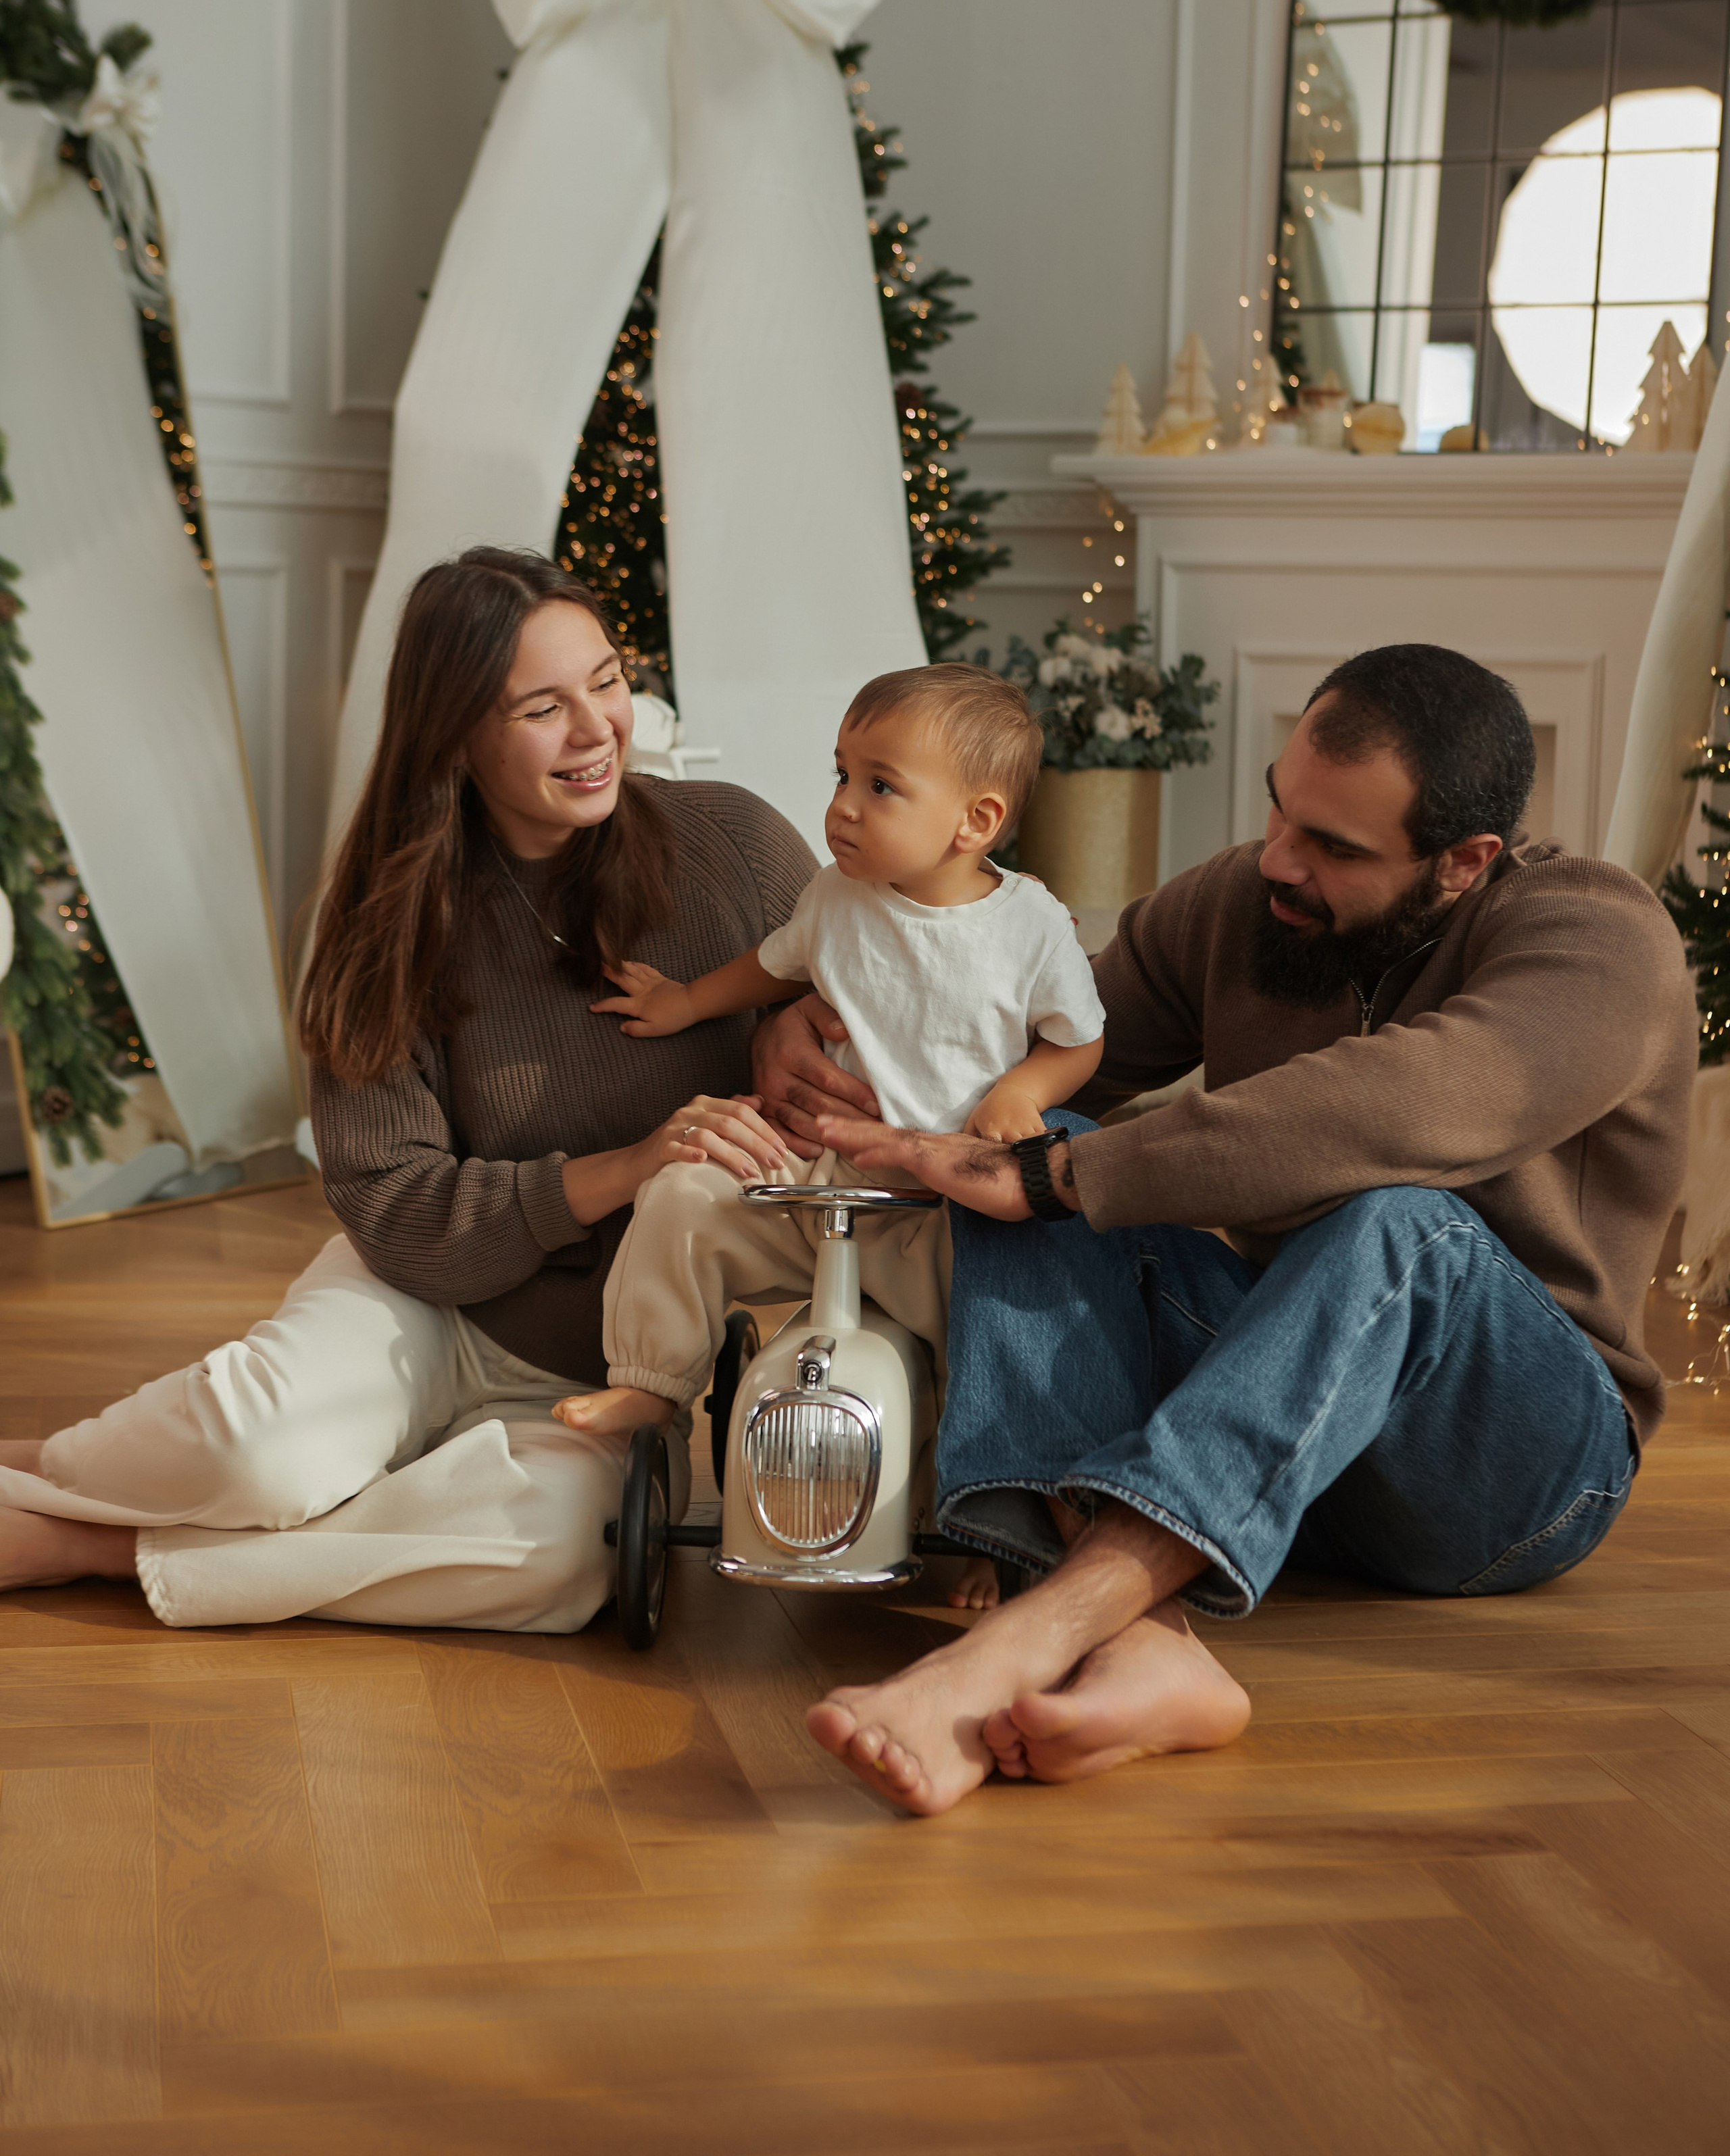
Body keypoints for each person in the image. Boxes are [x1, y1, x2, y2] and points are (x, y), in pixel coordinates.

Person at [745, 644, 1698, 1815]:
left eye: (1336, 848)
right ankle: (1140, 1639)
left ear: (1464, 864)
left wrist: (1057, 1173)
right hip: (1283, 1429)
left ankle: (1026, 1644)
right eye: (1278, 811)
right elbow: (1013, 1048)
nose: (1279, 863)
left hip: (1511, 1468)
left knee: (1393, 1221)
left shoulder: (1597, 938)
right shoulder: (1247, 903)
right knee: (1037, 1138)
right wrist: (809, 1028)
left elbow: (1403, 1106)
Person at [0, 549, 809, 1630]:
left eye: (607, 682)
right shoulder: (384, 915)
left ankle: (92, 1539)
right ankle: (64, 1468)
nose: (596, 729)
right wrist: (623, 1168)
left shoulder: (738, 848)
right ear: (458, 731)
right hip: (418, 1301)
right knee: (260, 1448)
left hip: (601, 1367)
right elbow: (395, 1212)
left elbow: (871, 1024)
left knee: (568, 1559)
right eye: (541, 707)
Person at [555, 662, 1103, 1453]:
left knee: (996, 1336)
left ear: (974, 822)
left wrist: (1024, 1089)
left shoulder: (1032, 926)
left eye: (880, 787)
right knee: (680, 1194)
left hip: (944, 1210)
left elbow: (1080, 1037)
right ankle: (649, 1383)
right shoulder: (833, 896)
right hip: (815, 1182)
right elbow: (773, 966)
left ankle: (988, 1500)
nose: (841, 805)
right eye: (842, 773)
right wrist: (685, 1001)